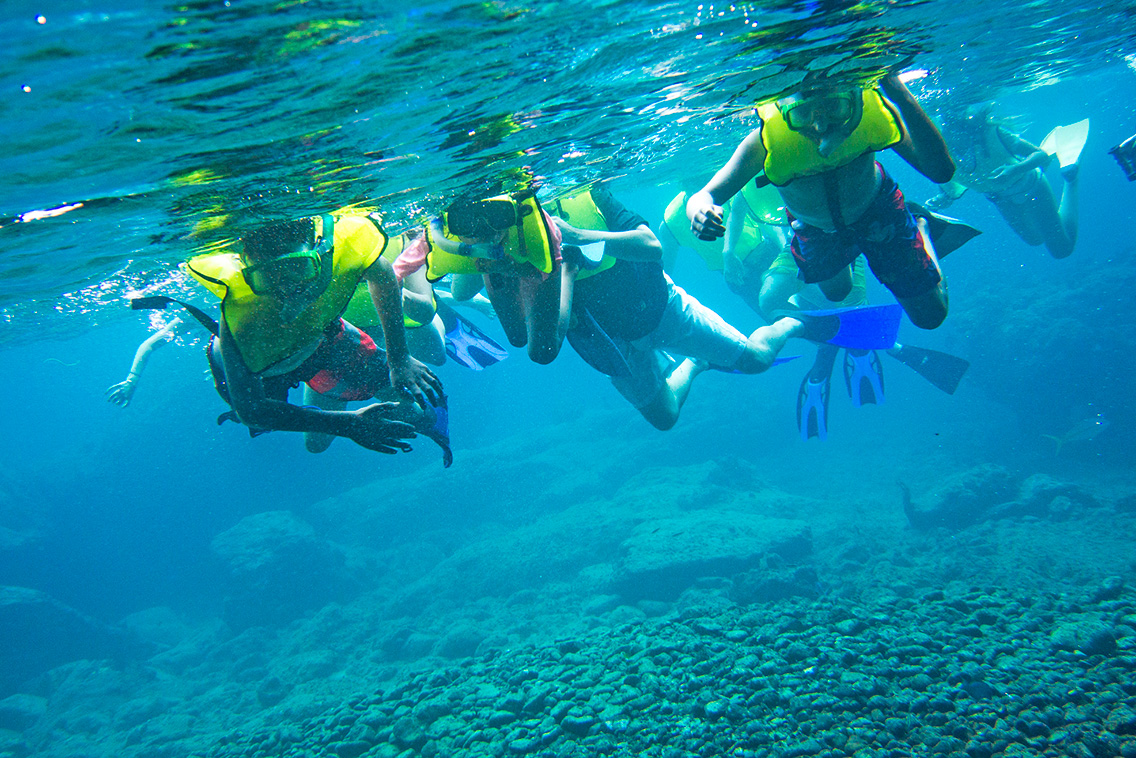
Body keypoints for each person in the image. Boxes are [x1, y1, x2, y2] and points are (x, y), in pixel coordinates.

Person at [687, 73, 956, 331]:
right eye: (802, 114)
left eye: (834, 108)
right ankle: (858, 248)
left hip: (878, 213)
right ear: (783, 110)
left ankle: (919, 224)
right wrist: (699, 210)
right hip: (815, 228)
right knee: (837, 292)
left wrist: (901, 96)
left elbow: (941, 171)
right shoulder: (763, 141)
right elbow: (705, 195)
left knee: (930, 316)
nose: (820, 126)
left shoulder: (872, 115)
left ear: (854, 98)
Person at [183, 212, 452, 464]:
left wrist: (399, 358)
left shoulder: (336, 258)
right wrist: (348, 423)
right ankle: (326, 401)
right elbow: (252, 409)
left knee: (417, 409)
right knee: (313, 441)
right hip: (266, 370)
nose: (286, 288)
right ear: (245, 268)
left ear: (320, 252)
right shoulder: (241, 325)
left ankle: (431, 423)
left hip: (323, 340)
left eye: (297, 267)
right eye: (268, 275)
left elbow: (384, 276)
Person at [548, 185, 800, 430]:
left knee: (756, 360)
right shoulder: (523, 234)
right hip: (611, 340)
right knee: (665, 417)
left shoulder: (592, 195)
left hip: (659, 306)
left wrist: (575, 235)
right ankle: (697, 362)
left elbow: (651, 246)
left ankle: (792, 322)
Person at [394, 192, 577, 365]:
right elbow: (392, 275)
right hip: (495, 268)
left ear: (512, 212)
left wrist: (513, 268)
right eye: (466, 223)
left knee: (543, 353)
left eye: (498, 216)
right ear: (451, 225)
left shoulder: (539, 231)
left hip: (529, 261)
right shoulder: (433, 237)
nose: (486, 234)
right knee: (517, 338)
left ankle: (570, 269)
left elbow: (542, 273)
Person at [928, 105, 1085, 259]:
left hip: (1031, 186)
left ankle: (1070, 179)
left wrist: (1015, 169)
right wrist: (944, 199)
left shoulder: (992, 134)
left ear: (964, 129)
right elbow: (955, 183)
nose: (951, 139)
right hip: (1001, 199)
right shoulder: (942, 153)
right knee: (1034, 240)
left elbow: (1040, 154)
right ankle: (1058, 186)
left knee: (1060, 250)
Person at [106, 317, 188, 407]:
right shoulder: (191, 316)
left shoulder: (194, 317)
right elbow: (148, 345)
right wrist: (131, 380)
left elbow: (148, 345)